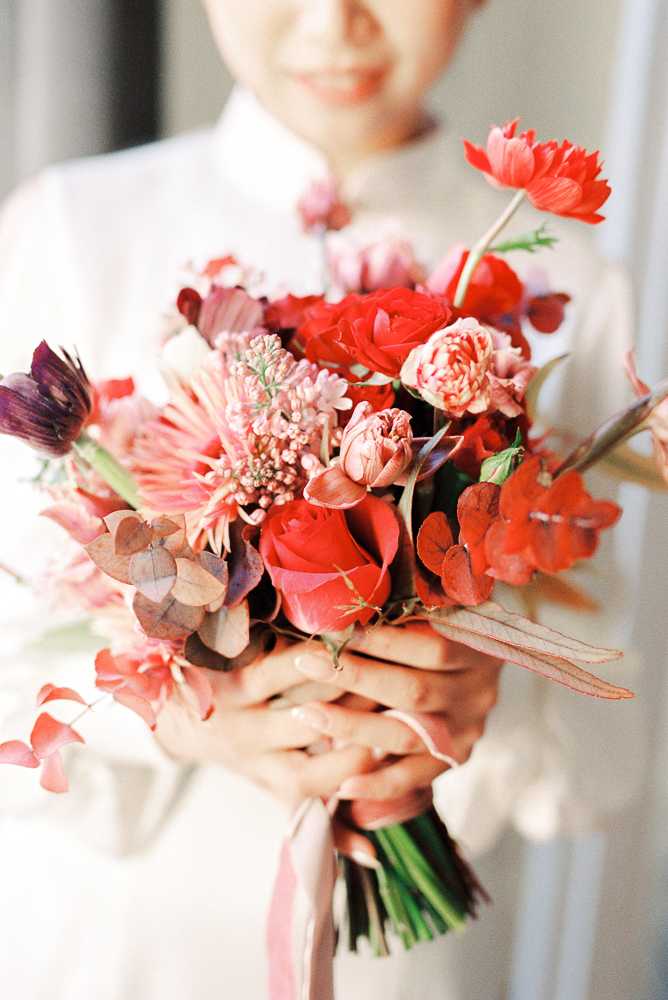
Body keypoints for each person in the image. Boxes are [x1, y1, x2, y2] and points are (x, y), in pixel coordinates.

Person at [0, 2, 641, 998]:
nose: (334, 20)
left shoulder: (572, 288)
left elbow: (608, 756)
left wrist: (490, 698)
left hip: (406, 970)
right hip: (107, 951)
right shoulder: (68, 232)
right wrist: (168, 718)